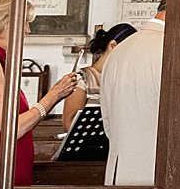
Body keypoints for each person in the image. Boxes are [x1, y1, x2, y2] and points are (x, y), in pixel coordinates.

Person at [0, 0, 78, 187]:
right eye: (24, 22)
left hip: (6, 171)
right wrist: (53, 96)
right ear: (1, 24)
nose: (27, 30)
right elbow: (13, 128)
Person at [99, 0, 166, 187]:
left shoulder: (118, 51)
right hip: (156, 178)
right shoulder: (172, 50)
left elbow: (109, 126)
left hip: (118, 174)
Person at [56, 23, 136, 163]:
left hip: (116, 152)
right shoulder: (83, 78)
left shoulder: (126, 78)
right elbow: (68, 123)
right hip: (85, 155)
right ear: (113, 45)